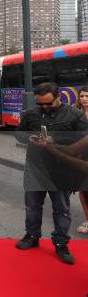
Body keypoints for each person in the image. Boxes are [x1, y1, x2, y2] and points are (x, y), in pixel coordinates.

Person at [14, 82, 88, 265]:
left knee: (61, 208)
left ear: (58, 97)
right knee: (32, 205)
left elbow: (84, 137)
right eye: (41, 104)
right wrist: (27, 137)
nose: (44, 107)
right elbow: (19, 133)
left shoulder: (75, 114)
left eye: (49, 103)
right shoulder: (31, 114)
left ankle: (61, 242)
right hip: (35, 167)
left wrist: (56, 140)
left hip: (61, 168)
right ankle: (31, 235)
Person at [74, 86, 88, 234]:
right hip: (80, 156)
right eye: (82, 96)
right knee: (83, 190)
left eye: (87, 96)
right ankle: (87, 219)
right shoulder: (75, 115)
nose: (84, 99)